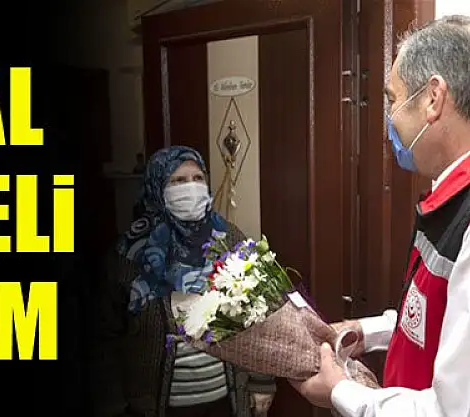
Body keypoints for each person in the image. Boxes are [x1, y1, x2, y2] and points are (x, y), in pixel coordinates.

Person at [289, 15, 470, 417]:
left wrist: (339, 392)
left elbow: (451, 410)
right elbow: (436, 319)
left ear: (433, 98)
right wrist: (366, 332)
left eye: (392, 99)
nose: (389, 119)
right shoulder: (448, 198)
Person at [94, 145, 276, 417]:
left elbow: (260, 316)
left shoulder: (229, 238)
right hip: (155, 406)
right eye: (178, 181)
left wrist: (262, 381)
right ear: (157, 188)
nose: (191, 187)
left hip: (227, 399)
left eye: (198, 178)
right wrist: (112, 403)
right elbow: (104, 336)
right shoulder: (129, 254)